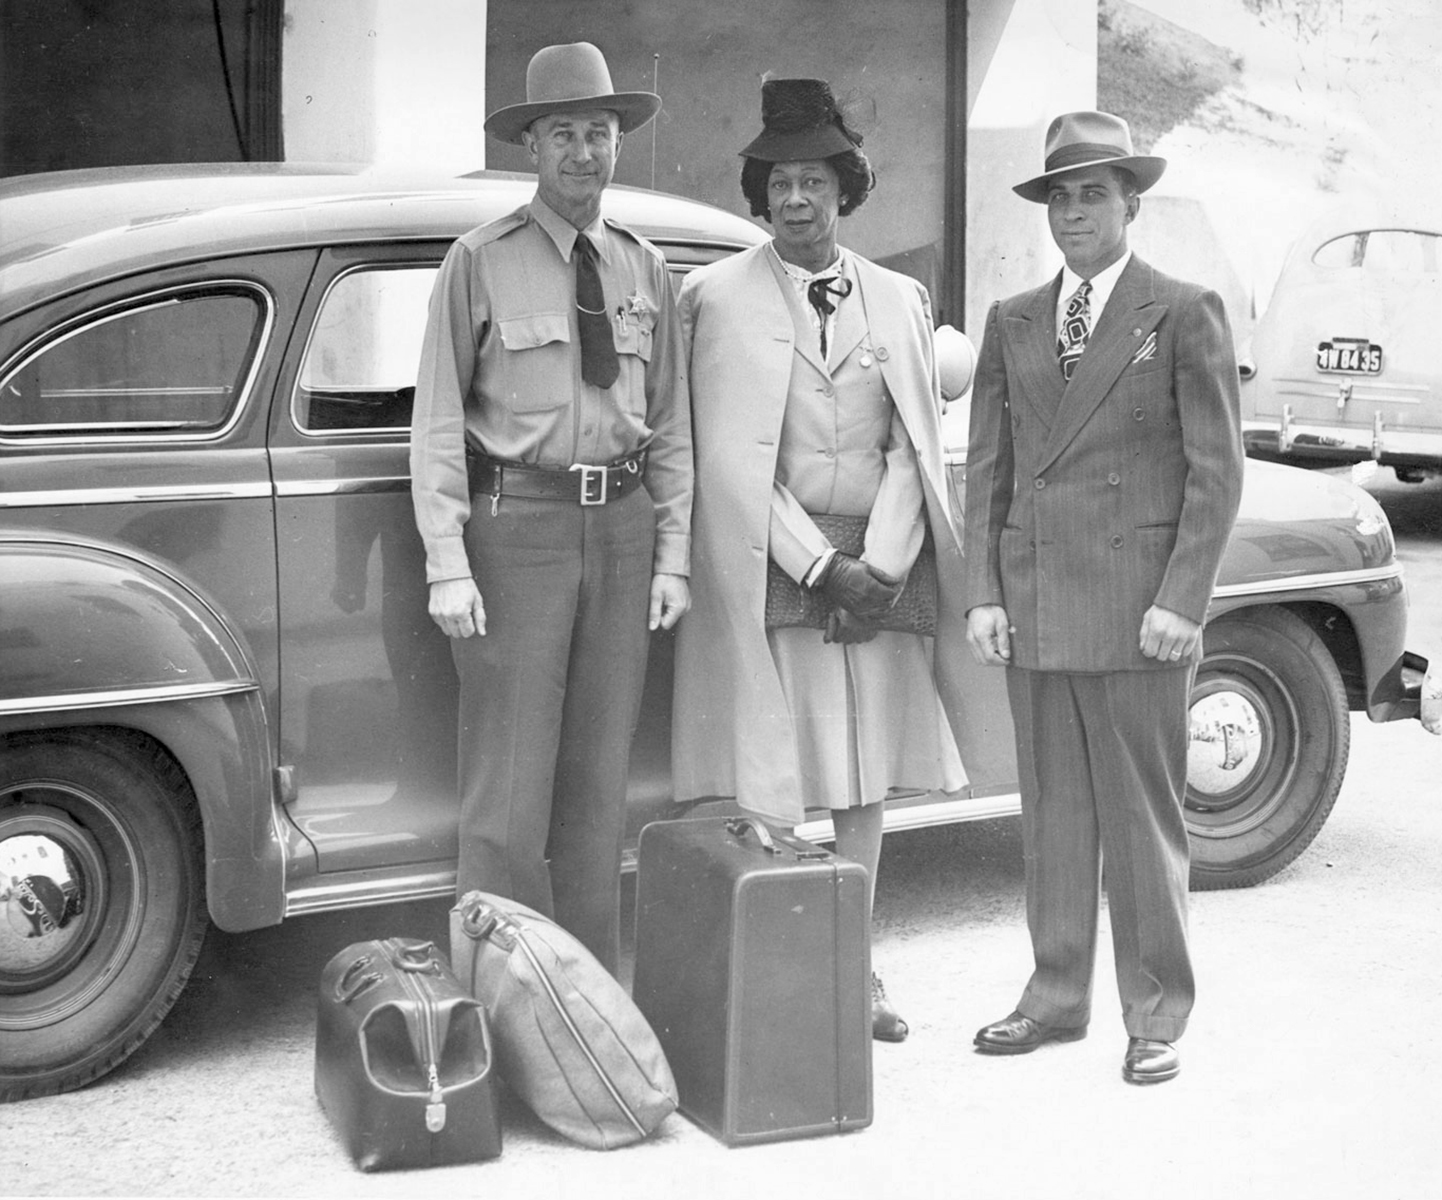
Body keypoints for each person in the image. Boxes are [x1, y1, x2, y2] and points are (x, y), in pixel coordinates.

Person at [672, 78, 996, 1042]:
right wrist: (819, 566)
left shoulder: (899, 297)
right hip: (777, 559)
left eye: (815, 179)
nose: (796, 199)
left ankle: (857, 968)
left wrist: (885, 563)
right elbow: (727, 455)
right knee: (779, 765)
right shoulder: (712, 300)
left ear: (845, 189)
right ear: (759, 193)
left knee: (863, 772)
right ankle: (786, 967)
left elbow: (914, 438)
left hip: (881, 567)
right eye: (778, 182)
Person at [962, 111, 1244, 1084]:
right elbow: (990, 473)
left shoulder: (1181, 308)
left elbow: (1215, 473)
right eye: (1060, 196)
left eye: (1093, 193)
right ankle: (1053, 998)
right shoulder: (1011, 320)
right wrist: (982, 594)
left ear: (1131, 201)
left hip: (1138, 613)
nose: (1074, 212)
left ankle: (1155, 1012)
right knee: (1049, 818)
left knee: (1140, 820)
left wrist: (1181, 599)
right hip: (1036, 602)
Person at [409, 42, 692, 975]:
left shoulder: (646, 269)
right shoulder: (478, 261)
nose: (583, 152)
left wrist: (672, 555)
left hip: (619, 529)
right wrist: (447, 560)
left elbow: (672, 429)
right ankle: (499, 1003)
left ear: (619, 146)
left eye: (600, 133)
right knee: (508, 791)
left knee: (599, 785)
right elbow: (440, 422)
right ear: (531, 146)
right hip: (516, 532)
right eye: (563, 132)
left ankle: (588, 1009)